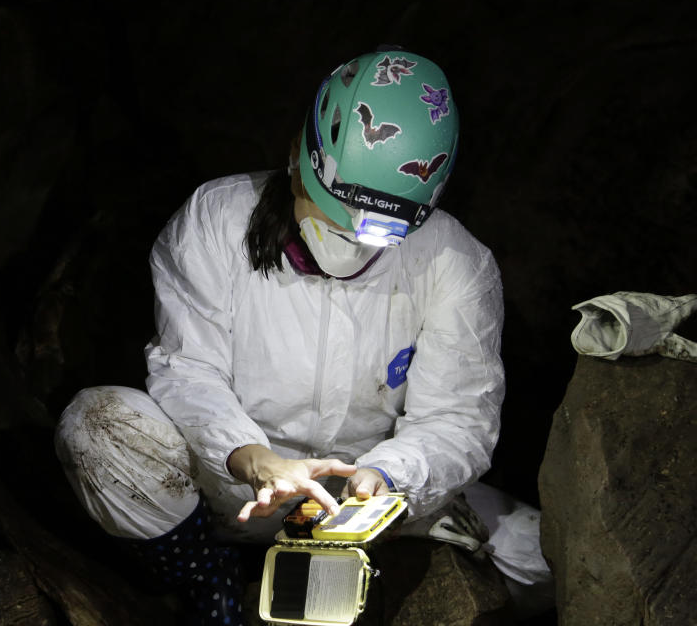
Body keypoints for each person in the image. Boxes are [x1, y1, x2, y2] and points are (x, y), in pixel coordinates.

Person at [55, 47, 553, 624]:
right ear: (298, 156)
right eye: (331, 206)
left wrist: (391, 477)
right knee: (97, 426)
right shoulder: (217, 220)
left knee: (548, 560)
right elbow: (189, 371)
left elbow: (459, 419)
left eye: (377, 227)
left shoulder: (454, 261)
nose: (347, 238)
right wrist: (252, 457)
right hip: (236, 486)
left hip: (367, 499)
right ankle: (207, 583)